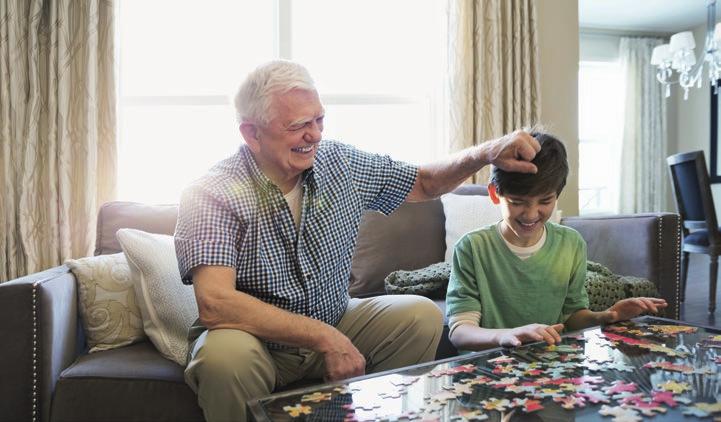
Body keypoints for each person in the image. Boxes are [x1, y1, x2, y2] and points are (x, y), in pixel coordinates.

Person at [174, 59, 542, 421]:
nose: (315, 134)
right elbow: (216, 304)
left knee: (420, 316)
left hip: (334, 316)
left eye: (319, 120)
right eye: (299, 125)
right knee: (222, 359)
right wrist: (325, 338)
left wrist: (486, 152)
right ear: (251, 133)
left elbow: (425, 182)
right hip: (255, 340)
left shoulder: (340, 163)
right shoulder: (212, 191)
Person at [445, 132, 668, 352]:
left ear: (557, 194)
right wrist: (505, 335)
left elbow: (573, 317)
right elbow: (460, 332)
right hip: (488, 370)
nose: (531, 214)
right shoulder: (472, 247)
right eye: (517, 202)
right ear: (495, 194)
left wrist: (609, 316)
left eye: (545, 201)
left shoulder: (571, 244)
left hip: (549, 366)